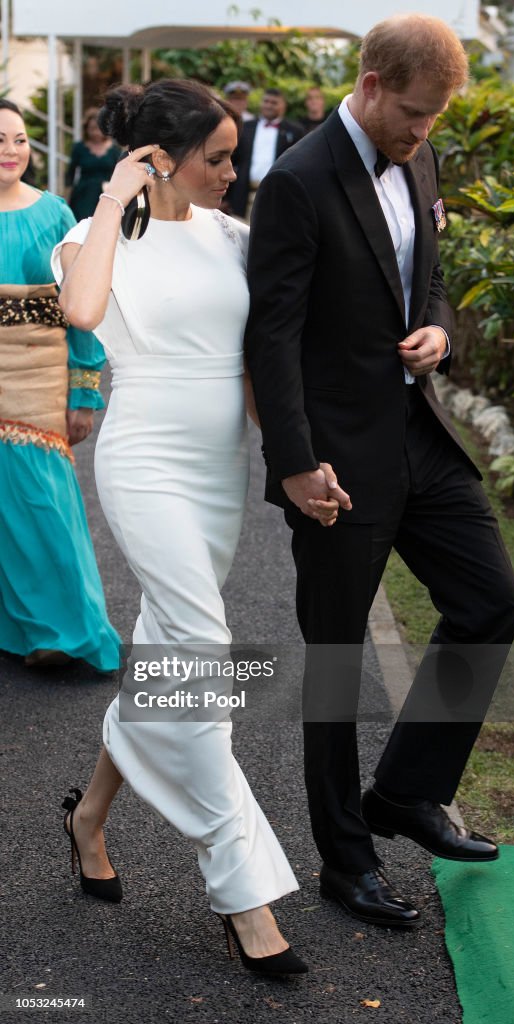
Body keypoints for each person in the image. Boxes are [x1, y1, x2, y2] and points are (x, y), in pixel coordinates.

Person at [244, 14, 514, 929]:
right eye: (411, 113)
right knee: (334, 663)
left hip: (420, 436)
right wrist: (293, 464)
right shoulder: (296, 181)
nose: (421, 132)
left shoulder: (422, 157)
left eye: (434, 118)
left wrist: (436, 327)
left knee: (489, 601)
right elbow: (272, 337)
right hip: (336, 462)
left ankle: (405, 793)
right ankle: (344, 861)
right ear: (368, 83)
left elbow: (426, 275)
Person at [53, 79, 325, 976]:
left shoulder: (236, 237)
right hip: (144, 461)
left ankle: (90, 814)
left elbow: (258, 364)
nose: (231, 172)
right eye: (216, 157)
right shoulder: (90, 242)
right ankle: (242, 892)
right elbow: (83, 315)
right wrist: (110, 196)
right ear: (163, 158)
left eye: (233, 155)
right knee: (202, 647)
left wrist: (291, 462)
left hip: (218, 473)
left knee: (174, 655)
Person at [0, 98, 121, 672]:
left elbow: (83, 314)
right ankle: (18, 631)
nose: (10, 150)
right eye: (0, 139)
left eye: (20, 139)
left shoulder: (54, 215)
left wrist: (83, 395)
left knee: (43, 506)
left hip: (38, 386)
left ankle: (71, 632)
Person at [225, 88, 304, 220]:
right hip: (243, 195)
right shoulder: (245, 127)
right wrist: (227, 197)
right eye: (266, 101)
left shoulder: (295, 131)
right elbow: (232, 160)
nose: (268, 105)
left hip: (277, 196)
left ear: (283, 105)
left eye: (274, 102)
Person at [67, 107, 122, 220]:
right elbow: (70, 173)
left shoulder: (115, 150)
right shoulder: (79, 147)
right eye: (91, 128)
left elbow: (119, 175)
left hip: (106, 194)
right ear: (86, 129)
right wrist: (66, 196)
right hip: (83, 196)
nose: (95, 132)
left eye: (98, 128)